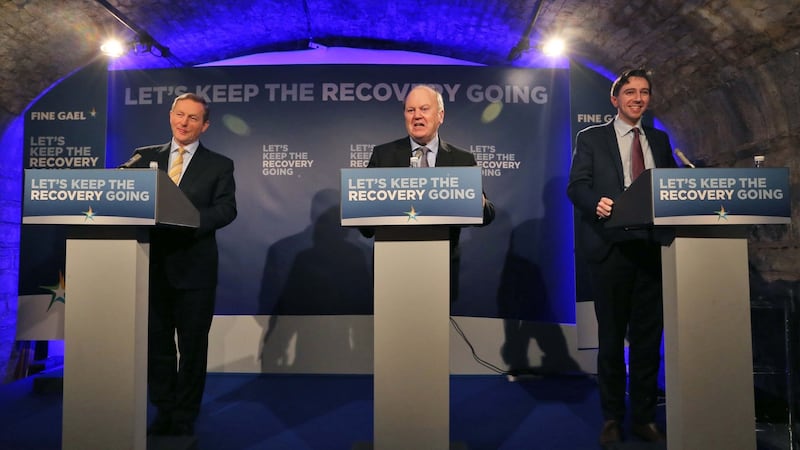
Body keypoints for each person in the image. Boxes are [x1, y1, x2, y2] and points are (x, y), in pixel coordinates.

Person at [566, 69, 676, 446]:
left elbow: (672, 188)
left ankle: (644, 418)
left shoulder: (660, 141)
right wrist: (596, 202)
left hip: (651, 250)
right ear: (615, 99)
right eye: (630, 92)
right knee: (611, 341)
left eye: (644, 92)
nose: (638, 98)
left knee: (648, 341)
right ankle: (612, 417)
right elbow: (576, 185)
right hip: (610, 249)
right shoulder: (592, 138)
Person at [124, 92, 237, 436]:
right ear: (170, 116)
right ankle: (163, 408)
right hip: (150, 266)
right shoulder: (143, 157)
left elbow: (226, 209)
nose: (184, 123)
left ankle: (185, 413)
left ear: (205, 125)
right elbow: (123, 191)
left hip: (195, 271)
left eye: (192, 118)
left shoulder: (219, 164)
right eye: (179, 115)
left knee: (191, 348)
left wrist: (190, 221)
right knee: (157, 346)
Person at [365, 85, 495, 299]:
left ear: (440, 115)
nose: (417, 116)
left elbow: (487, 214)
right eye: (410, 110)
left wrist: (478, 203)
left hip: (440, 270)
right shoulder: (384, 156)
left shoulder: (461, 160)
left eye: (424, 109)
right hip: (393, 269)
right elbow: (366, 225)